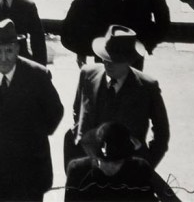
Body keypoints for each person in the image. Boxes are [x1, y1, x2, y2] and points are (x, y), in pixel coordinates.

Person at [0, 18, 64, 202]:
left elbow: (55, 112)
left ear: (18, 48)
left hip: (29, 172)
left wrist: (32, 134)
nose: (4, 57)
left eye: (9, 51)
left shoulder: (38, 75)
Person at [67, 25, 170, 170]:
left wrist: (146, 165)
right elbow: (78, 110)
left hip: (127, 169)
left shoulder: (147, 87)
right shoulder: (87, 74)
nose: (108, 63)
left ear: (129, 60)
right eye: (105, 57)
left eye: (115, 60)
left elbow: (162, 132)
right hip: (90, 165)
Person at [64, 122, 170, 202]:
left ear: (125, 159)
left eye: (116, 163)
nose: (110, 166)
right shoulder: (78, 171)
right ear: (96, 157)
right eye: (104, 161)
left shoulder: (140, 171)